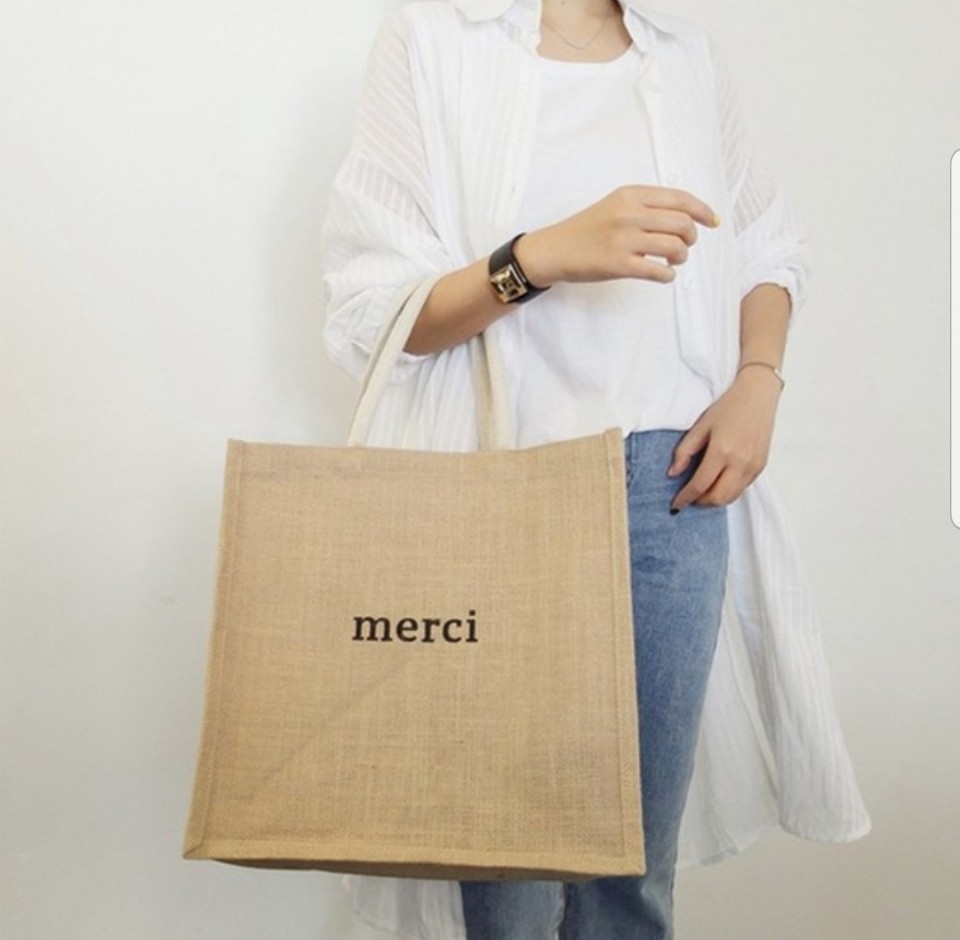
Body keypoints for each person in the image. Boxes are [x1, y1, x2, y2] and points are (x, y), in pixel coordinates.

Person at [320, 1, 870, 937]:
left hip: (672, 485)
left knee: (632, 874)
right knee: (506, 875)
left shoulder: (682, 48)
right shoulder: (435, 38)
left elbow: (768, 244)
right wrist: (539, 257)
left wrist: (758, 382)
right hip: (498, 490)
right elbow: (375, 312)